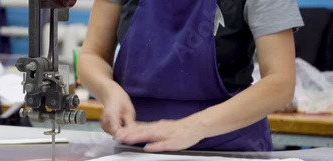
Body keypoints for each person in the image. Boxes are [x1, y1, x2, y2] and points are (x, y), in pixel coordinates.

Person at [78, 0, 304, 152]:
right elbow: (92, 54)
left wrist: (192, 127)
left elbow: (281, 83)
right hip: (137, 152)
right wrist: (109, 92)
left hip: (229, 155)